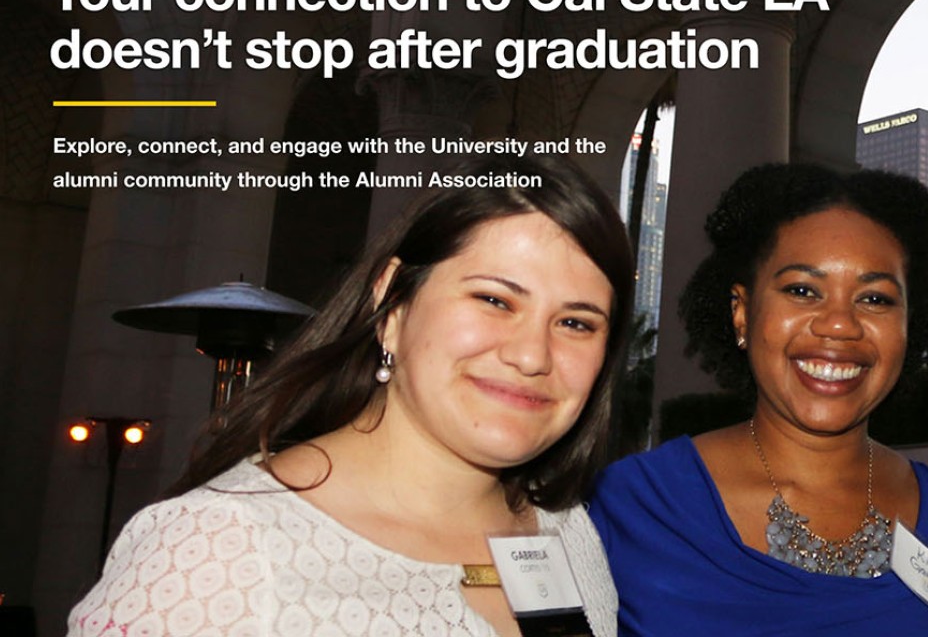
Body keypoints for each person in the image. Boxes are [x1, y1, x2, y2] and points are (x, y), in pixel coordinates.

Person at [69, 155, 634, 636]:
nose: (532, 356)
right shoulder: (212, 550)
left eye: (577, 324)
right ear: (392, 301)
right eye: (493, 300)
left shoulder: (566, 531)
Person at [590, 163, 928, 635]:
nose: (840, 324)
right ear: (742, 313)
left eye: (875, 299)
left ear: (910, 326)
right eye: (802, 290)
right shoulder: (636, 508)